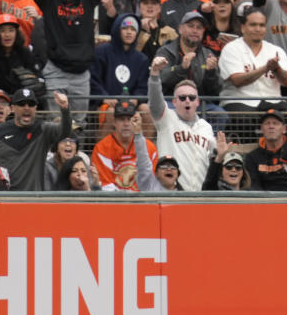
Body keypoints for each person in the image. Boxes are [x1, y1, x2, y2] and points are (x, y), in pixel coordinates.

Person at [27, 0, 119, 125]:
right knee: (56, 122)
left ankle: (76, 155)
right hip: (57, 70)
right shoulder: (49, 0)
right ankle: (55, 155)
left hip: (82, 73)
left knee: (79, 122)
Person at [0, 88, 72, 190]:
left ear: (36, 108)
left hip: (31, 198)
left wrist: (65, 109)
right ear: (13, 108)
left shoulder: (43, 129)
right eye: (22, 104)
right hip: (3, 197)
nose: (26, 108)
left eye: (31, 104)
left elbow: (65, 132)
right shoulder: (1, 130)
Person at [148, 56, 214, 191]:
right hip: (172, 194)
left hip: (200, 196)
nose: (187, 101)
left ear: (198, 102)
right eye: (182, 98)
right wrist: (154, 74)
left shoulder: (206, 127)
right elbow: (155, 103)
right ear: (174, 102)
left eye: (192, 97)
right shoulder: (166, 119)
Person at [219, 8, 287, 118]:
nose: (258, 29)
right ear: (243, 28)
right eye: (253, 25)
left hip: (273, 102)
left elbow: (286, 81)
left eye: (262, 25)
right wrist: (265, 68)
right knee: (245, 119)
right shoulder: (231, 48)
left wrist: (277, 69)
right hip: (240, 101)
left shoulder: (276, 50)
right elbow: (237, 80)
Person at [91, 100, 157, 191]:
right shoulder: (101, 148)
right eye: (121, 119)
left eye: (130, 119)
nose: (126, 124)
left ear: (136, 121)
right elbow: (105, 184)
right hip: (114, 201)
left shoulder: (149, 147)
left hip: (144, 200)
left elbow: (152, 182)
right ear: (114, 122)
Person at [91, 13, 150, 104]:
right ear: (117, 29)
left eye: (133, 29)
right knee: (110, 112)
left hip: (130, 106)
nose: (129, 32)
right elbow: (93, 80)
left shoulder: (142, 59)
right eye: (124, 28)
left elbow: (142, 87)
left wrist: (136, 99)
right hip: (106, 104)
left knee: (145, 109)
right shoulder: (102, 52)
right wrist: (104, 98)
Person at [245, 105, 287, 191]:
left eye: (275, 123)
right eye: (267, 123)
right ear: (261, 129)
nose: (271, 126)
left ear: (284, 129)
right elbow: (254, 185)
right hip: (266, 201)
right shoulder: (252, 157)